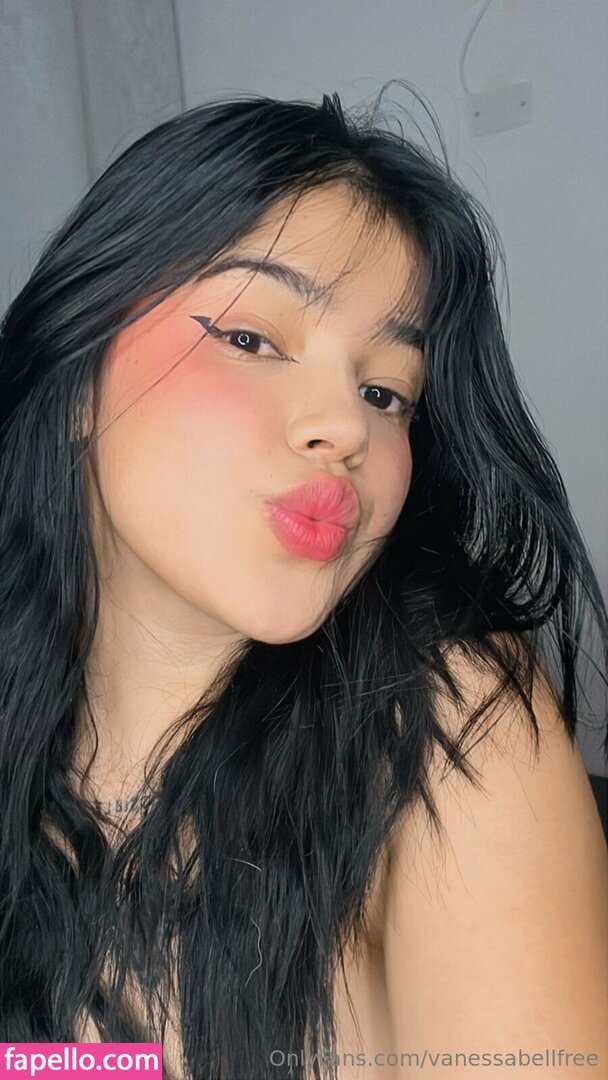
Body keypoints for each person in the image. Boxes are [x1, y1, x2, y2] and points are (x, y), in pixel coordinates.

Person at [0, 85, 606, 1080]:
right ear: (76, 376)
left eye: (386, 391)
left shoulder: (445, 728)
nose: (344, 426)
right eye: (251, 339)